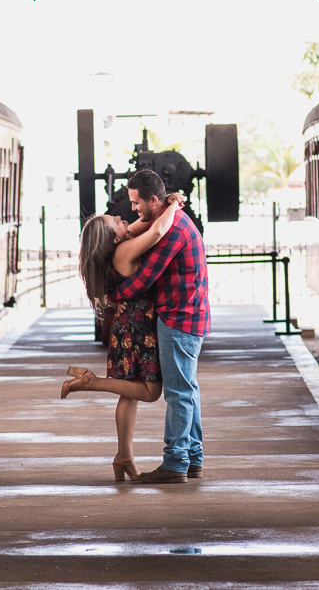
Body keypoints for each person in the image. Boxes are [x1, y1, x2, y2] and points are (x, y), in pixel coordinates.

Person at [64, 191, 187, 482]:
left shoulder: (119, 243)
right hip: (137, 329)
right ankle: (90, 382)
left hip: (126, 328)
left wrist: (162, 207)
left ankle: (124, 457)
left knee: (128, 395)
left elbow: (144, 223)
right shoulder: (124, 250)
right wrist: (174, 203)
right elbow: (157, 230)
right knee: (150, 391)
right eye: (116, 221)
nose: (122, 218)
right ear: (113, 238)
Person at [114, 169, 209, 484]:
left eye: (136, 202)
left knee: (179, 394)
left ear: (153, 199)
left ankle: (175, 464)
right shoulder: (171, 219)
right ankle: (192, 458)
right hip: (186, 316)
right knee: (188, 391)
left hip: (178, 319)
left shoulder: (172, 230)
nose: (133, 209)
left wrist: (113, 296)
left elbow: (144, 280)